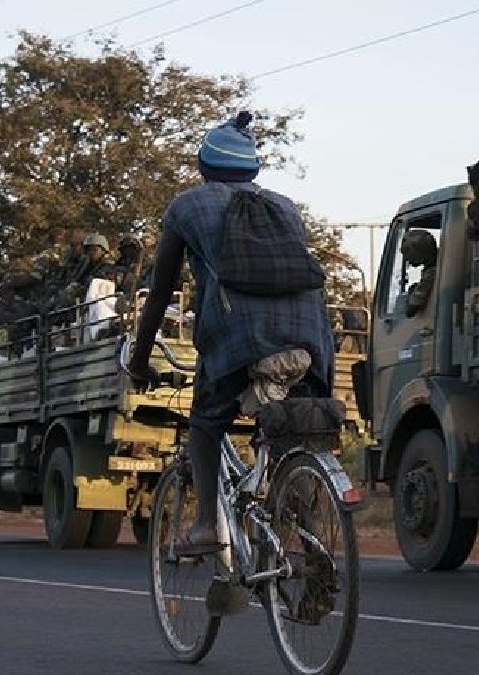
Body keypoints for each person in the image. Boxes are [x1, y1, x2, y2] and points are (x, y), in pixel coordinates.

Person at [127, 112, 335, 555]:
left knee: (205, 425)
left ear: (203, 166)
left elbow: (161, 290)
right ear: (253, 169)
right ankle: (314, 537)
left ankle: (206, 524)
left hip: (239, 340)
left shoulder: (186, 207)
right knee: (288, 435)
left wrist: (140, 359)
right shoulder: (284, 207)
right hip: (309, 338)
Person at [401, 230, 437, 317]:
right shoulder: (439, 264)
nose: (406, 258)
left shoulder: (432, 272)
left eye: (407, 251)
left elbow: (411, 310)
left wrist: (412, 292)